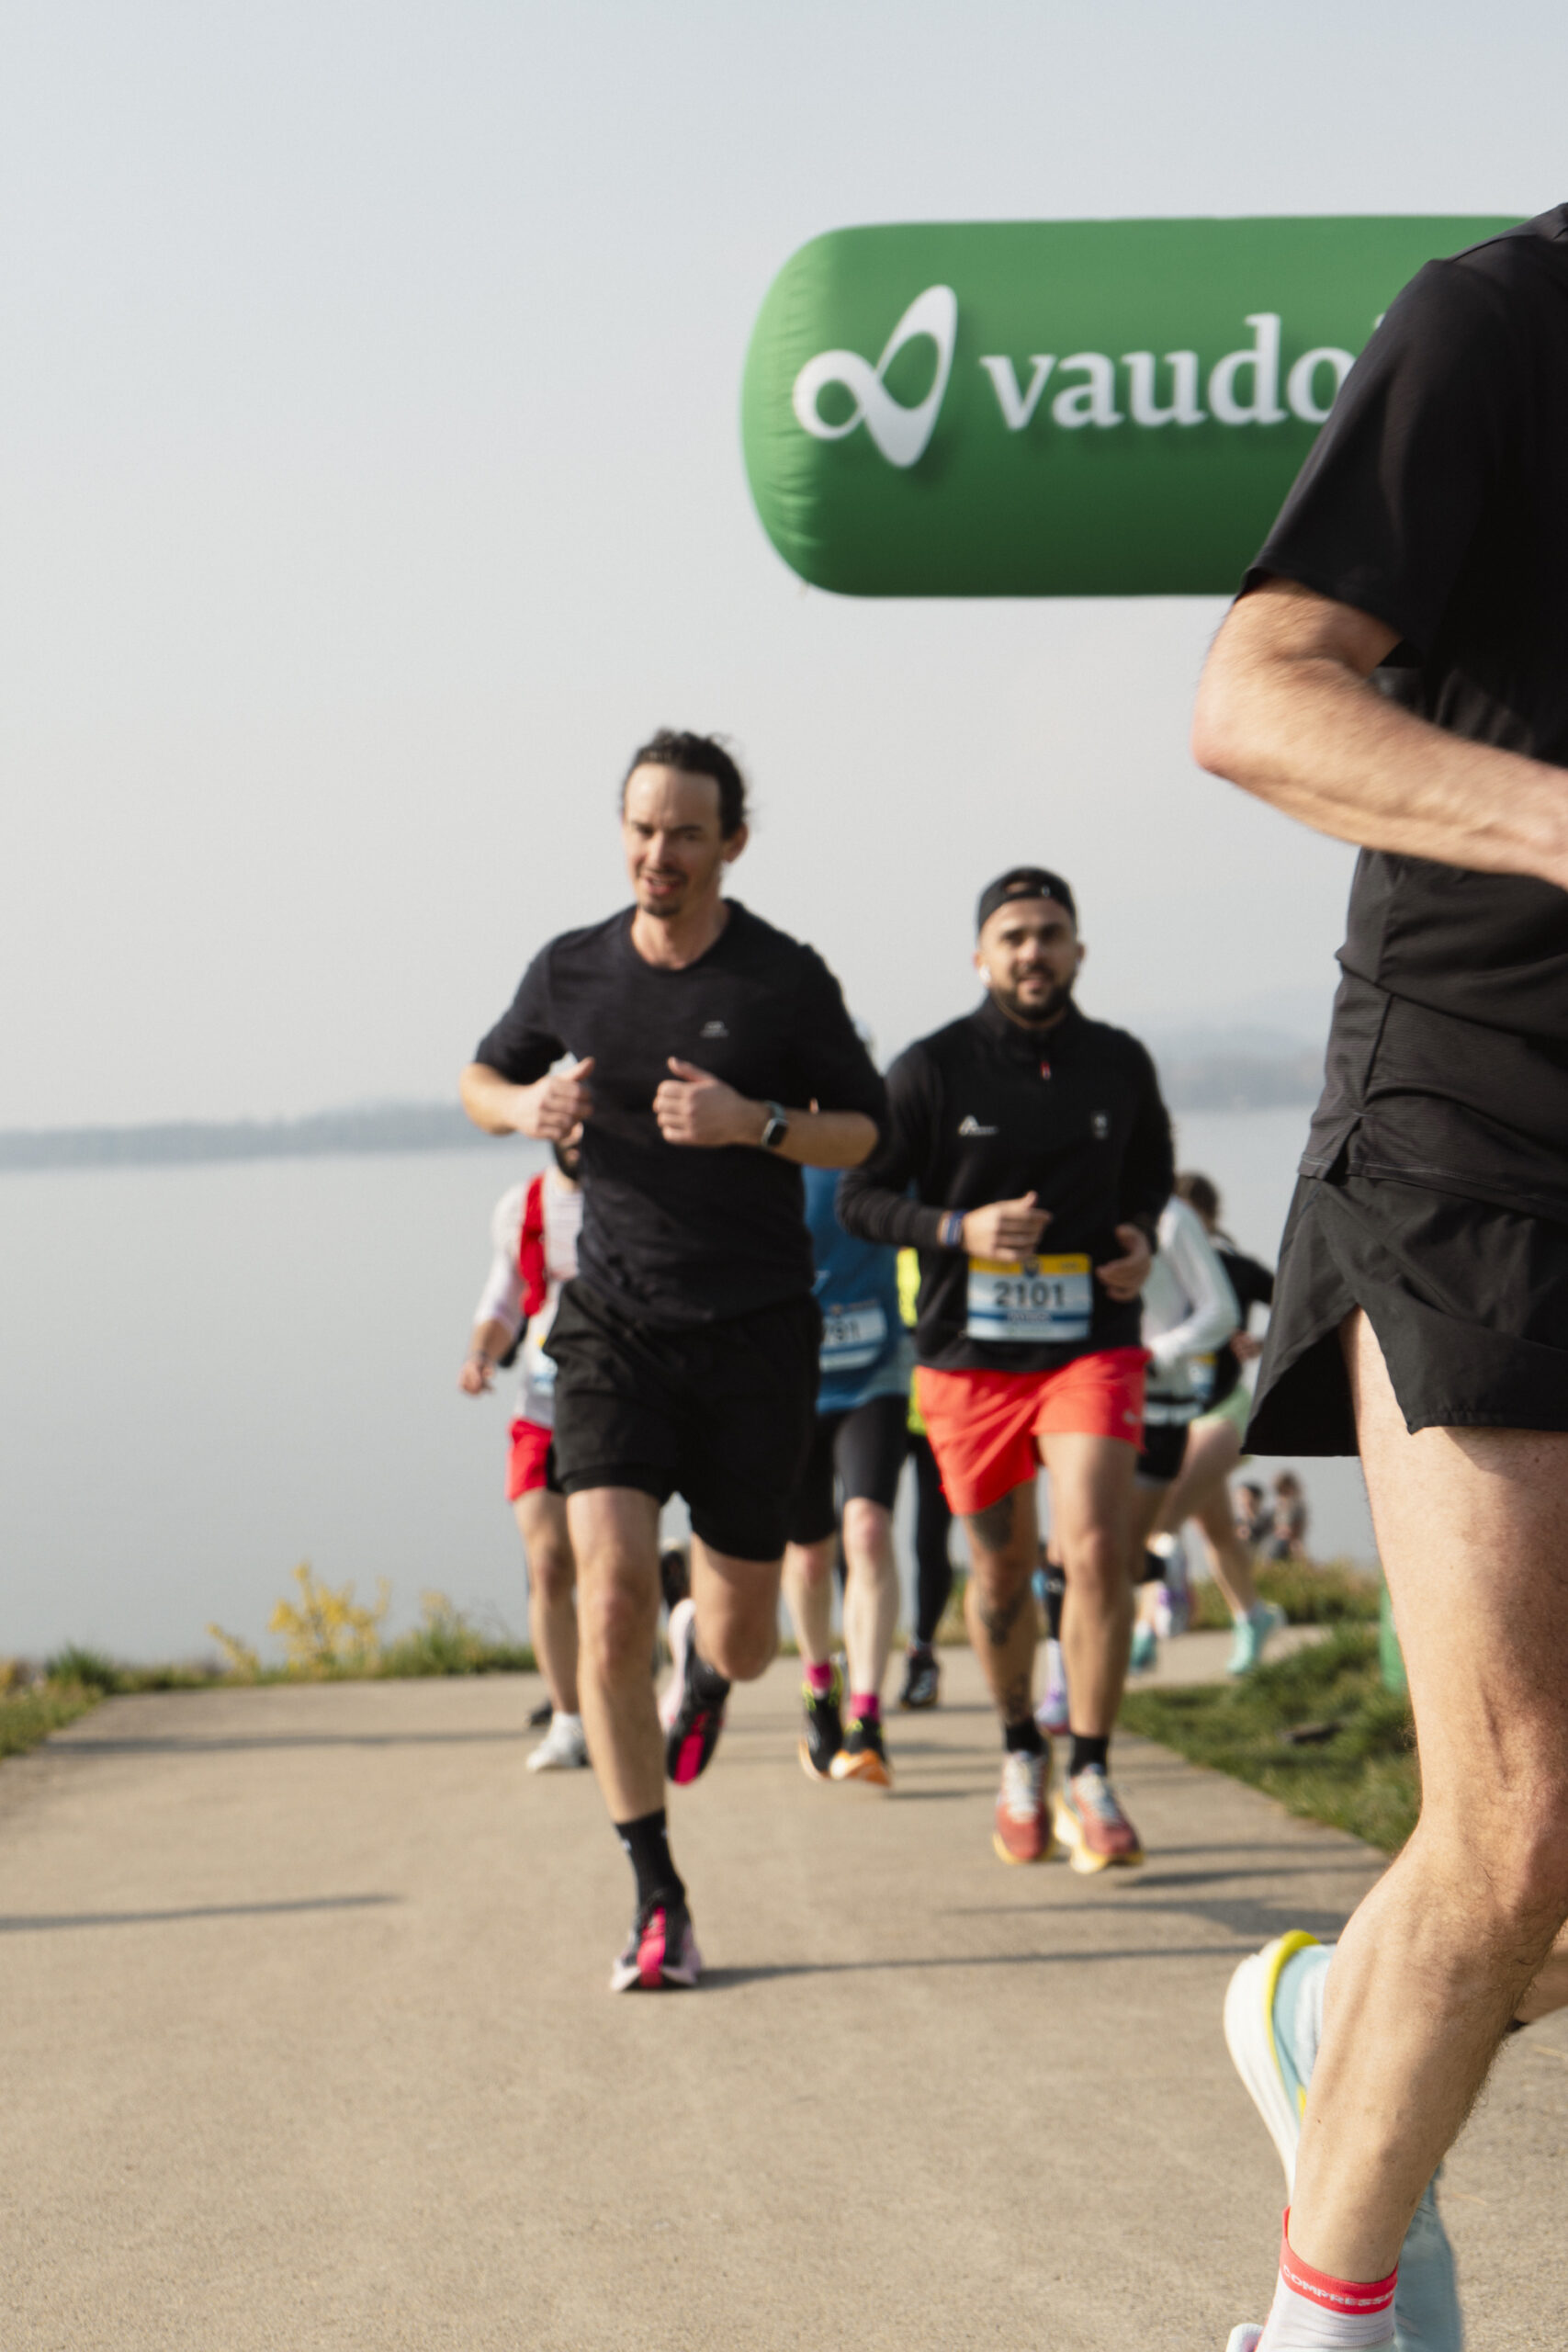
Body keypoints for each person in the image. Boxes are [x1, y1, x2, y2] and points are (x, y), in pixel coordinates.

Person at [1193, 206, 1568, 2352]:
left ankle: (1338, 2010)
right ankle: (1318, 2326)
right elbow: (1253, 693)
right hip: (1474, 1127)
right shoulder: (1490, 324)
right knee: (1513, 1819)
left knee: (1525, 1875)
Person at [460, 729, 885, 1992]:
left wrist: (752, 1121)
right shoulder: (572, 968)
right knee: (607, 1597)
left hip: (756, 1331)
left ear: (731, 843)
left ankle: (707, 1660)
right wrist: (524, 1108)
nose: (660, 852)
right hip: (613, 1326)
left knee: (748, 1639)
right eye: (643, 828)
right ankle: (658, 1897)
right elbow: (480, 1077)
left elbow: (865, 1130)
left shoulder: (783, 979)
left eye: (687, 832)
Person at [839, 865, 1172, 1874]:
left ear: (1078, 950)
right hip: (969, 1359)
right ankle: (1022, 1748)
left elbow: (1151, 1175)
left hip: (1091, 1340)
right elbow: (861, 1199)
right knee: (998, 1572)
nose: (1033, 951)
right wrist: (959, 1229)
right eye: (1014, 935)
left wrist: (1139, 1235)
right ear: (980, 956)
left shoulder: (1118, 1061)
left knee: (1096, 1546)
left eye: (1050, 933)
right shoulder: (929, 1069)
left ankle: (1093, 1771)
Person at [458, 1138, 586, 1770]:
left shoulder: (635, 1198)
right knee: (549, 1564)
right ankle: (568, 1720)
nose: (581, 1136)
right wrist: (481, 1354)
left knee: (611, 1569)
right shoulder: (524, 1206)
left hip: (615, 1414)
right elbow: (502, 1301)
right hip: (539, 1412)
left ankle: (621, 1690)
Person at [783, 1167, 911, 1787]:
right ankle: (818, 1686)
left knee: (867, 1531)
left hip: (874, 1375)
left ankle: (867, 1718)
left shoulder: (880, 1145)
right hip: (790, 1382)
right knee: (810, 1558)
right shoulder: (765, 1143)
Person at [1144, 1172, 1286, 1676]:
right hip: (1171, 1413)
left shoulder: (1236, 1270)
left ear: (1207, 1219)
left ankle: (1145, 1625)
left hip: (1224, 1409)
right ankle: (1253, 1618)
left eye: (1190, 1220)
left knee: (1162, 1511)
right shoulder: (1156, 1271)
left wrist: (1264, 1342)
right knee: (1219, 1532)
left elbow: (1299, 1305)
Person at [1125, 1191, 1240, 1672]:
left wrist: (1159, 1354)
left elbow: (1229, 1311)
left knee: (1150, 1534)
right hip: (1093, 1397)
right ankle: (1067, 1690)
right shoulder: (1072, 1199)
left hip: (1196, 1407)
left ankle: (1157, 1594)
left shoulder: (1173, 1221)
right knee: (1084, 1552)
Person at [896, 1244, 958, 1711]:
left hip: (942, 1417)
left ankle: (923, 1651)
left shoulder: (949, 1249)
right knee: (858, 1535)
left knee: (929, 1541)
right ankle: (854, 1652)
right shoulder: (878, 1251)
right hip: (882, 1410)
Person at [1265, 1470, 1310, 1563]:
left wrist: (1286, 1532)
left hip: (1289, 1542)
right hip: (1279, 1540)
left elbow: (1296, 1527)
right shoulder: (1279, 1506)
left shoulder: (1297, 1506)